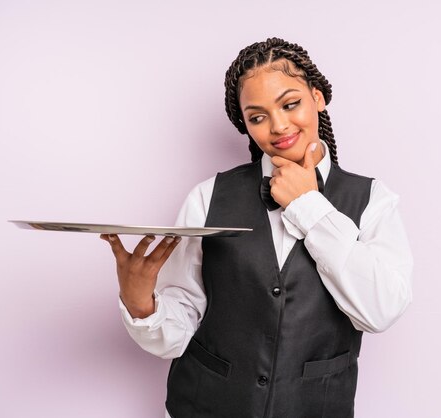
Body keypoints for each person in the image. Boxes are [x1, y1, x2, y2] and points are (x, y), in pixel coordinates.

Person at [101, 37, 413, 418]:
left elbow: (381, 310)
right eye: (257, 116)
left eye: (290, 104)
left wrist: (308, 206)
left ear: (318, 97)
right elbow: (180, 326)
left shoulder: (373, 200)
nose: (278, 126)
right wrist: (140, 305)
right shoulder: (208, 196)